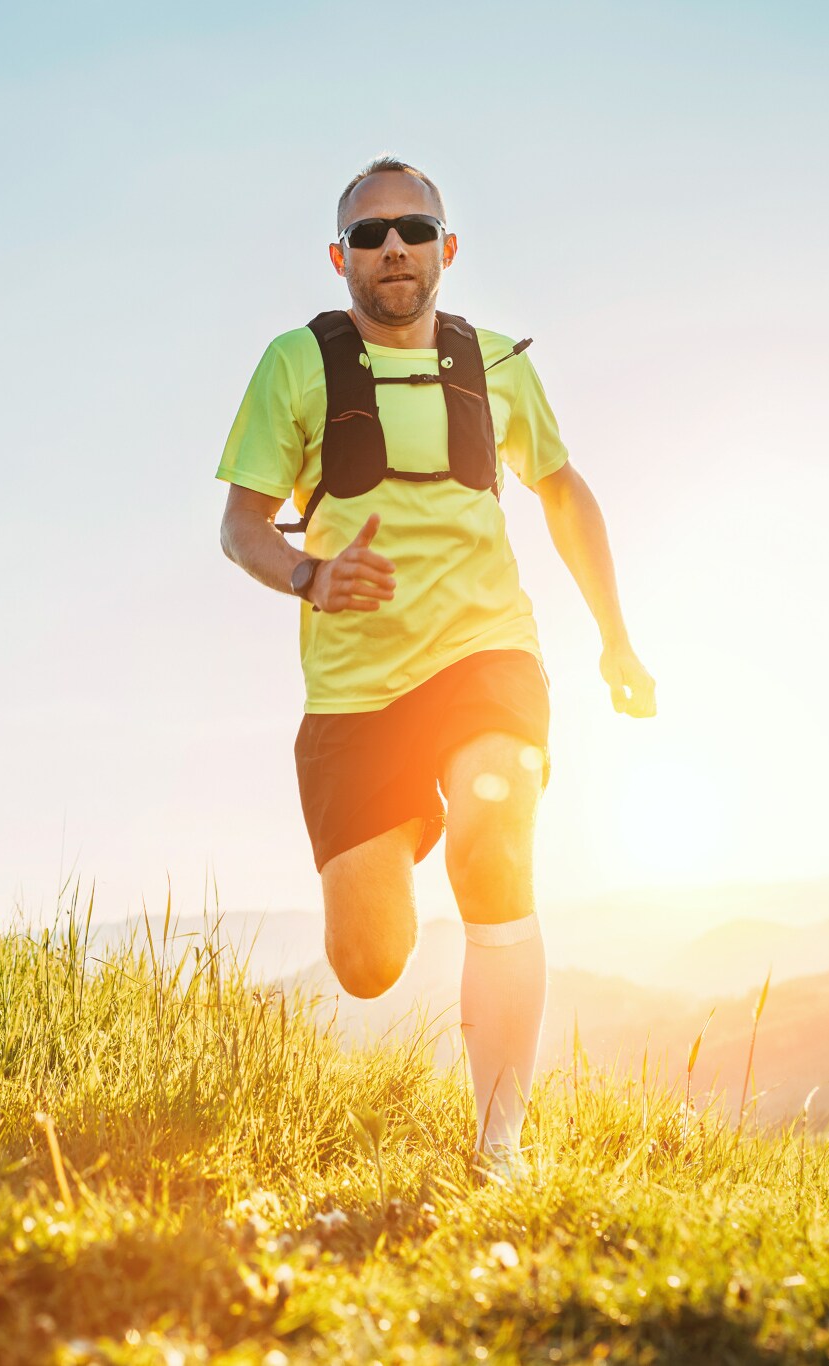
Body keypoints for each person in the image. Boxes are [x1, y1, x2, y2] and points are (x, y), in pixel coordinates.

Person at [215, 155, 656, 1162]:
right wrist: (308, 577)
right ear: (338, 260)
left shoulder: (494, 362)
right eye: (367, 237)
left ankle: (496, 1150)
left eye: (411, 229)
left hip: (483, 653)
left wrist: (615, 640)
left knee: (494, 834)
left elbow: (560, 490)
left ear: (446, 248)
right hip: (355, 688)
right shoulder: (294, 364)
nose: (392, 250)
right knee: (368, 962)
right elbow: (240, 525)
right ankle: (405, 812)